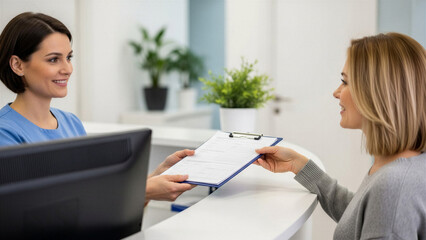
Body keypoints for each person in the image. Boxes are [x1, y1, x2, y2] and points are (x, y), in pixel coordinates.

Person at [0, 12, 194, 204]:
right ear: (17, 65)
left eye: (69, 57)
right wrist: (144, 190)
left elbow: (94, 203)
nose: (67, 69)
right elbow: (36, 211)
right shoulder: (5, 133)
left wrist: (156, 178)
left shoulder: (71, 123)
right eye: (53, 59)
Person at [255, 33, 426, 239]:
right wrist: (298, 165)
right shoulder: (403, 165)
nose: (336, 92)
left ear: (376, 92)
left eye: (345, 82)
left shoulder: (393, 186)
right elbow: (360, 219)